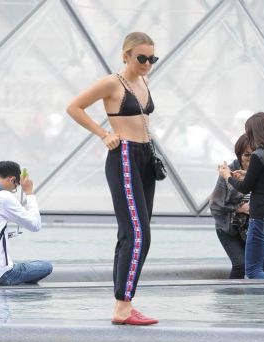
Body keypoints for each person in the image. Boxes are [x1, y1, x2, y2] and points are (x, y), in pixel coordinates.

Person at [66, 32, 159, 326]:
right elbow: (74, 107)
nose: (147, 63)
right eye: (141, 58)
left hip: (145, 157)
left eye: (151, 58)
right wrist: (104, 134)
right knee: (138, 234)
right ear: (125, 56)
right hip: (125, 157)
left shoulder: (144, 81)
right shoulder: (112, 82)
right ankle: (123, 307)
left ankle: (124, 301)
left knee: (130, 233)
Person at [218, 112, 264, 279]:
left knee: (253, 271)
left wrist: (226, 176)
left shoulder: (259, 155)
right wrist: (247, 174)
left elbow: (244, 188)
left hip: (262, 216)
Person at [0, 161, 52, 286]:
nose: (14, 190)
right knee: (46, 266)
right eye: (15, 187)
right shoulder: (2, 196)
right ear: (11, 179)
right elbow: (35, 225)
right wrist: (29, 193)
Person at [209, 134, 251, 279]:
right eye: (247, 155)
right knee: (240, 264)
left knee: (255, 265)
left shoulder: (259, 171)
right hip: (228, 227)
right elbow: (215, 205)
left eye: (255, 154)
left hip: (250, 227)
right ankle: (230, 299)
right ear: (239, 155)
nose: (250, 159)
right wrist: (239, 209)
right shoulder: (229, 171)